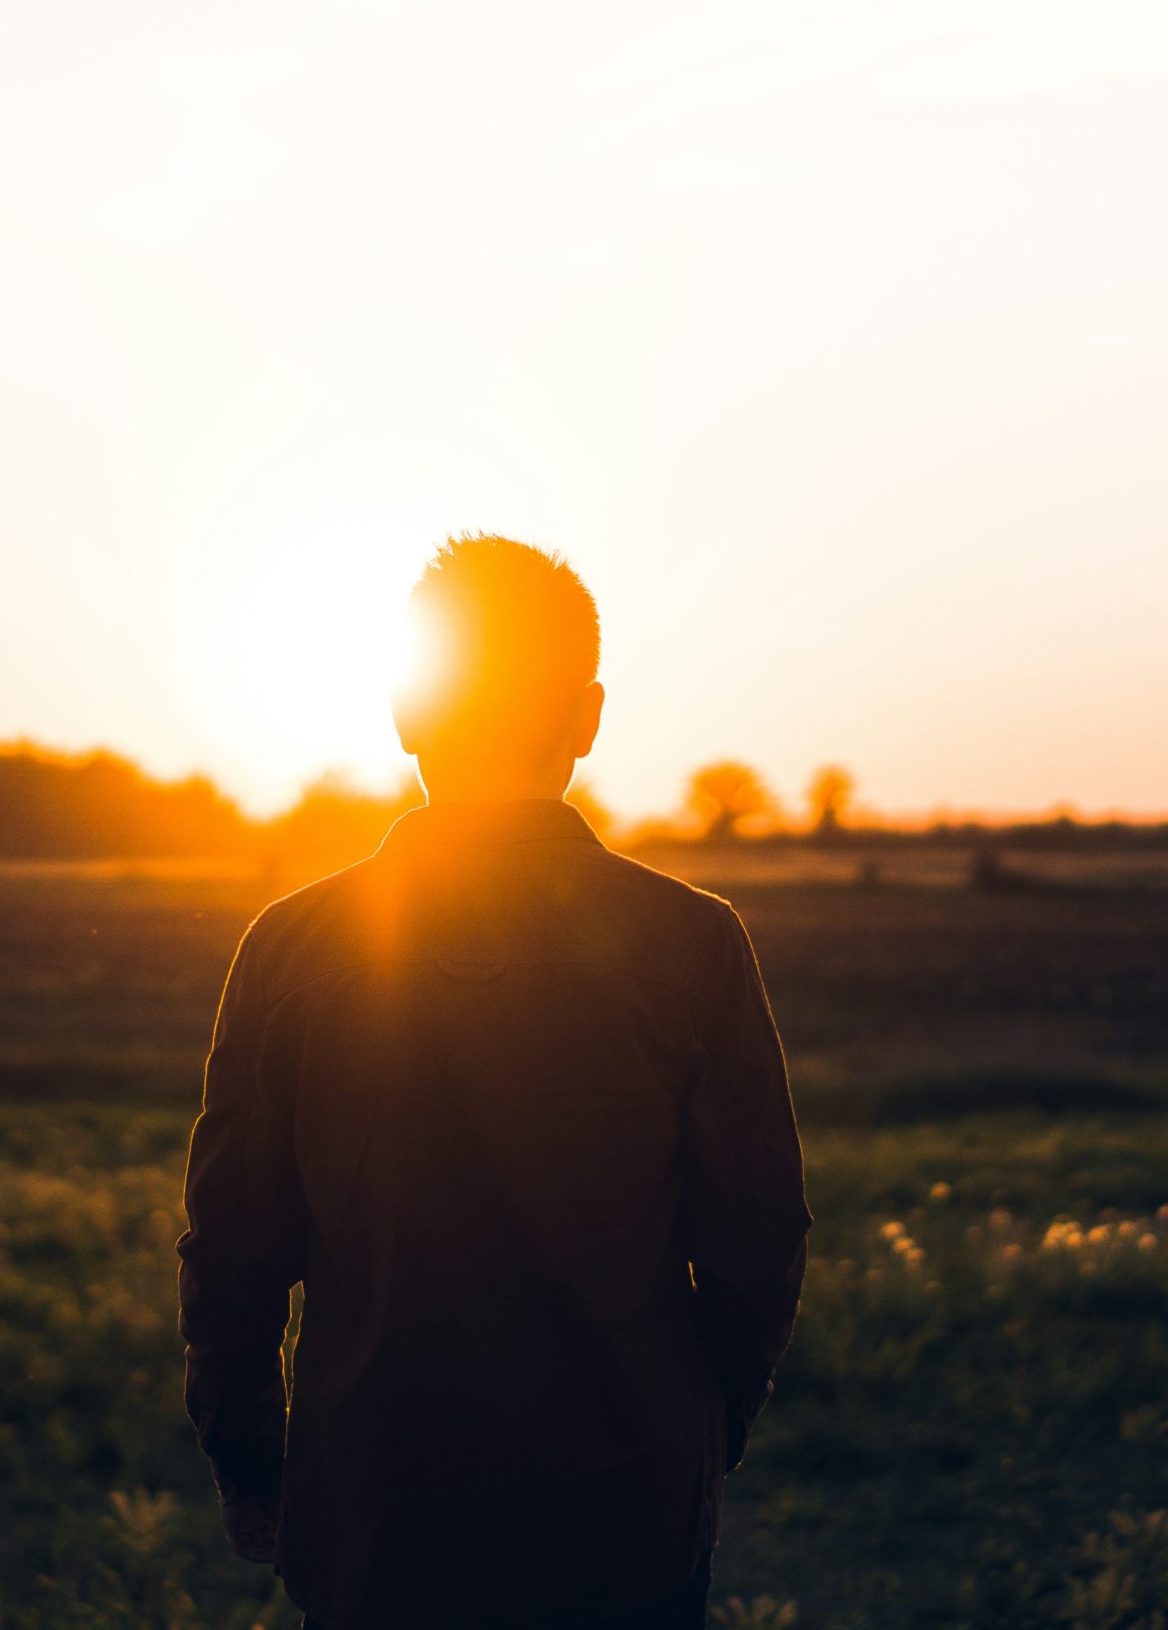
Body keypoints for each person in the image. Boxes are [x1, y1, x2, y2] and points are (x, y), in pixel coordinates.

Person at [178, 533, 813, 1629]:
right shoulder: (693, 945)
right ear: (587, 716)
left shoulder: (289, 949)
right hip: (627, 1519)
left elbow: (231, 1256)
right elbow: (757, 1240)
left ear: (406, 713)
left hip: (378, 1520)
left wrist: (253, 1473)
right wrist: (700, 1438)